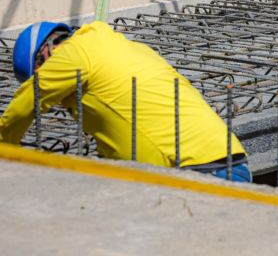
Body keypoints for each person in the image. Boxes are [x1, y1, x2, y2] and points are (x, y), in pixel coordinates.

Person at [1, 20, 252, 182]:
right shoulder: (128, 48)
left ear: (44, 54)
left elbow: (26, 103)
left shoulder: (72, 53)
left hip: (193, 171)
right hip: (231, 161)